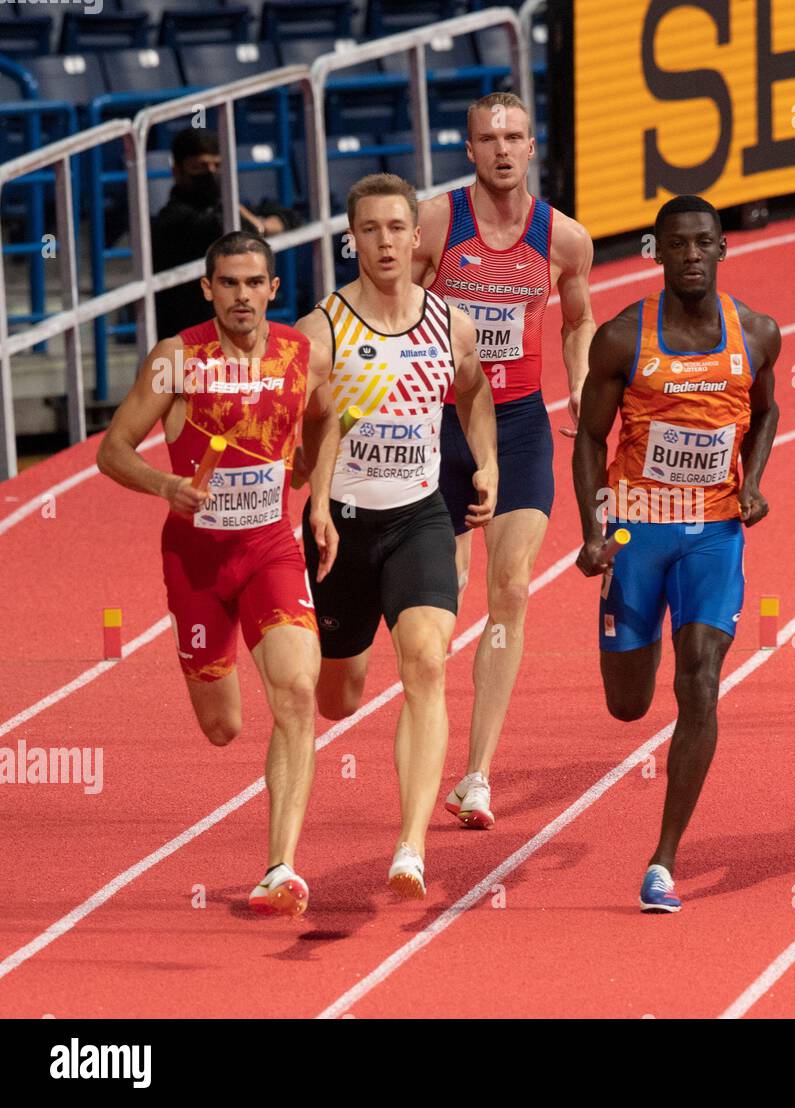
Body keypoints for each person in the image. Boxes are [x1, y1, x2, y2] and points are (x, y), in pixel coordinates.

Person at [97, 230, 341, 918]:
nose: (241, 296)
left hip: (270, 550)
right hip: (196, 561)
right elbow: (112, 451)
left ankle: (281, 868)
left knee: (297, 691)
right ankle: (209, 672)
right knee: (223, 726)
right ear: (209, 289)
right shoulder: (177, 361)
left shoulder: (301, 355)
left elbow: (328, 421)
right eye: (227, 284)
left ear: (272, 288)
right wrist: (163, 486)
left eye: (253, 283)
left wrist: (317, 500)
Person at [572, 195, 781, 912]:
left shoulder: (756, 333)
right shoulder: (621, 339)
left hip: (713, 530)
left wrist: (751, 485)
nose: (691, 255)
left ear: (722, 247)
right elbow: (590, 439)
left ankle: (663, 860)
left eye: (703, 243)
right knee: (629, 706)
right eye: (677, 245)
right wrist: (596, 531)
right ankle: (642, 630)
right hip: (636, 530)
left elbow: (767, 408)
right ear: (654, 251)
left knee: (699, 681)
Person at [298, 174, 497, 898]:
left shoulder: (451, 324)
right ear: (352, 239)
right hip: (341, 528)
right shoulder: (322, 332)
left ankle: (410, 847)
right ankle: (338, 663)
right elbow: (309, 433)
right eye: (370, 230)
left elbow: (474, 395)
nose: (384, 242)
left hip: (419, 518)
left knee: (427, 663)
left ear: (418, 238)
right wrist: (316, 500)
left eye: (396, 228)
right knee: (338, 699)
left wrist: (489, 466)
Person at [410, 90, 596, 831]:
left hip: (518, 424)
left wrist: (579, 386)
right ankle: (423, 723)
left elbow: (578, 321)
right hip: (438, 425)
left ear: (531, 145)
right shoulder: (433, 221)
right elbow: (394, 302)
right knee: (443, 592)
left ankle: (476, 775)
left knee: (511, 586)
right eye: (488, 137)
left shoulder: (564, 239)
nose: (502, 150)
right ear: (470, 148)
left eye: (515, 136)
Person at [152, 128, 300, 338]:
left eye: (217, 165)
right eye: (200, 167)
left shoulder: (232, 207)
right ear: (177, 171)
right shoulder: (170, 220)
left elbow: (290, 218)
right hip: (189, 339)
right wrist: (255, 224)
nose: (211, 174)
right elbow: (223, 227)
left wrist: (262, 225)